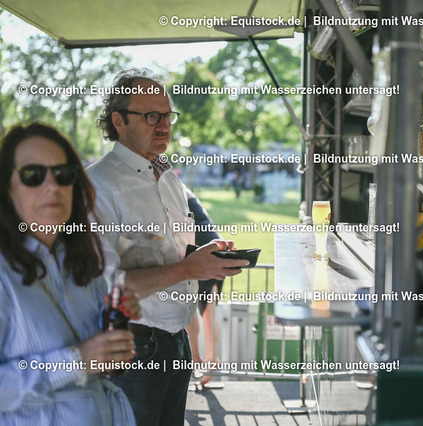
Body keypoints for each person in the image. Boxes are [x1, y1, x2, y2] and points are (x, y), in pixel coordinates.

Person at [88, 68, 249, 426]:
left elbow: (171, 258)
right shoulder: (98, 185)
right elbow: (101, 288)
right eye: (151, 116)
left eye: (167, 115)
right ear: (118, 121)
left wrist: (207, 258)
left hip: (176, 343)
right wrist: (188, 268)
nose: (163, 125)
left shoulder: (169, 180)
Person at [0, 123, 141, 425]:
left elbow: (104, 365)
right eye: (32, 175)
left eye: (63, 174)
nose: (52, 185)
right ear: (6, 188)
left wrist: (114, 322)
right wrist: (76, 361)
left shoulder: (81, 261)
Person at [184, 189, 224, 387]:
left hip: (195, 246)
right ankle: (212, 358)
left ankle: (196, 358)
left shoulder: (167, 186)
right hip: (213, 242)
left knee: (188, 305)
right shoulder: (185, 190)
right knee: (209, 309)